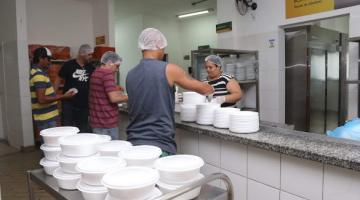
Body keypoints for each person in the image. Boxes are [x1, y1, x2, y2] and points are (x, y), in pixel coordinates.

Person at [126, 28, 214, 156]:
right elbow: (203, 89)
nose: (163, 51)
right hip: (159, 145)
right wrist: (213, 87)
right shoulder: (169, 69)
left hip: (133, 144)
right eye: (163, 47)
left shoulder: (131, 74)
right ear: (157, 45)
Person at [30, 47, 75, 132]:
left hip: (46, 117)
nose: (50, 62)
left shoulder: (37, 72)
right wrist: (63, 97)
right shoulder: (38, 75)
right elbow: (42, 100)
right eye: (48, 59)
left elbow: (46, 96)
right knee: (51, 144)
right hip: (46, 119)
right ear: (41, 59)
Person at [89, 51, 128, 139]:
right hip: (107, 121)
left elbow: (102, 94)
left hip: (96, 120)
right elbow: (113, 99)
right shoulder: (107, 74)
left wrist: (117, 92)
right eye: (117, 66)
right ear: (110, 63)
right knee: (111, 150)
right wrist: (131, 97)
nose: (117, 70)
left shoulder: (96, 72)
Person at [57, 44, 95, 132]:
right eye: (89, 54)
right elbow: (58, 78)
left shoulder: (91, 67)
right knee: (67, 128)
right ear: (82, 54)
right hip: (68, 103)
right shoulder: (68, 65)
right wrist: (54, 95)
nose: (91, 57)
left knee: (83, 129)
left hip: (84, 104)